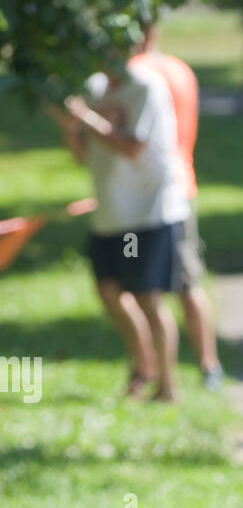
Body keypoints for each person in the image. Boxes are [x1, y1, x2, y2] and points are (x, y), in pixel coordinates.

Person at [47, 52, 188, 400]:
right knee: (108, 291)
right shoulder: (93, 88)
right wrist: (70, 127)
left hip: (149, 211)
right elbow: (83, 154)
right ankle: (144, 365)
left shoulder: (145, 86)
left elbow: (133, 147)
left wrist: (86, 117)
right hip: (109, 212)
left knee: (148, 298)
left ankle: (167, 386)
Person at [130, 25, 223, 389]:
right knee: (187, 282)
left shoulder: (138, 72)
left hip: (153, 193)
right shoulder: (180, 69)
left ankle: (153, 369)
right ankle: (207, 365)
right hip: (182, 184)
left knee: (149, 287)